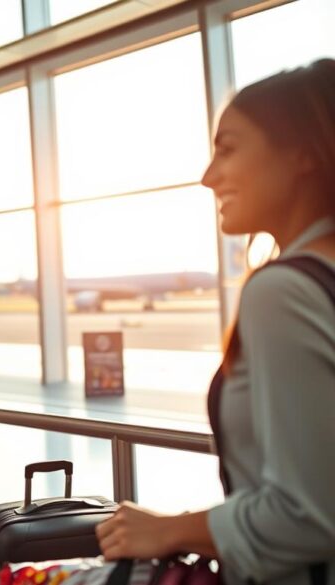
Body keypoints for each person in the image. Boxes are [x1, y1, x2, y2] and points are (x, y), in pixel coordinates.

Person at [95, 59, 335, 585]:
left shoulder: (285, 291)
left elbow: (310, 516)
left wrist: (173, 530)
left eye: (228, 148)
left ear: (303, 155)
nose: (207, 176)